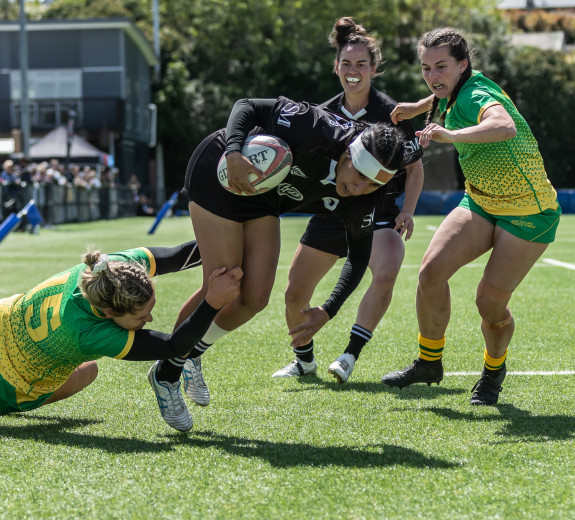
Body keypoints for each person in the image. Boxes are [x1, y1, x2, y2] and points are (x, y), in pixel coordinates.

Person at [151, 92, 407, 400]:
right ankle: (169, 368)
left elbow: (359, 255)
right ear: (348, 155)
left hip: (262, 194)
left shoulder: (365, 196)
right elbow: (247, 106)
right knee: (222, 282)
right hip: (221, 168)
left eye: (372, 185)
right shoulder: (315, 127)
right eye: (359, 176)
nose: (358, 189)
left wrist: (328, 310)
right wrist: (234, 153)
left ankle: (192, 354)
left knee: (255, 297)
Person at [380, 27, 561, 405]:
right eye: (426, 68)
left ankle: (494, 370)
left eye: (442, 67)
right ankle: (429, 362)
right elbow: (439, 94)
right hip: (480, 201)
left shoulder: (478, 93)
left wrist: (450, 135)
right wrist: (418, 107)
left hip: (529, 214)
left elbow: (503, 125)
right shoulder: (454, 90)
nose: (433, 76)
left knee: (488, 305)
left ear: (463, 65)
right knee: (430, 273)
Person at [271, 16, 424, 383]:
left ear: (373, 68)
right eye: (346, 64)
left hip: (378, 212)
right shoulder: (322, 113)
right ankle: (304, 361)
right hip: (331, 211)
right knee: (294, 293)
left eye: (361, 64)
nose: (353, 71)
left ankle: (349, 356)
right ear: (336, 67)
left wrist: (407, 210)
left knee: (386, 271)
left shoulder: (395, 115)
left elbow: (415, 169)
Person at [0, 240, 243, 432]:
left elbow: (181, 255)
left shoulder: (114, 269)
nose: (149, 320)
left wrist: (232, 240)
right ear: (109, 312)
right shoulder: (89, 331)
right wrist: (212, 302)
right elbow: (174, 346)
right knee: (89, 370)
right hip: (10, 385)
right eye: (141, 317)